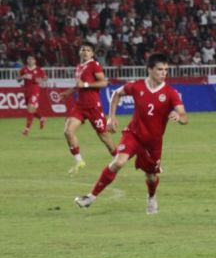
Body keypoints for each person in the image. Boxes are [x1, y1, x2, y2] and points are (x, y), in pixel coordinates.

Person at [74, 53, 188, 214]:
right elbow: (116, 94)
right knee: (118, 162)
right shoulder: (136, 86)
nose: (164, 73)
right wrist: (111, 117)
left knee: (151, 176)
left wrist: (178, 116)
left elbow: (184, 116)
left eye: (166, 70)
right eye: (160, 69)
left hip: (153, 142)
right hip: (133, 134)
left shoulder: (171, 93)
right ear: (150, 70)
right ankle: (90, 197)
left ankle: (151, 197)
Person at [61, 42, 117, 174]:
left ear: (92, 54)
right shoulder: (79, 67)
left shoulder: (94, 65)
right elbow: (79, 85)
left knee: (103, 136)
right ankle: (79, 161)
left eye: (88, 50)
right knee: (68, 132)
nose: (85, 52)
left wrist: (85, 85)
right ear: (79, 52)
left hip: (93, 106)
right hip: (79, 105)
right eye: (83, 50)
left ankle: (117, 158)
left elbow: (103, 82)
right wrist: (69, 92)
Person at [19, 55, 47, 136]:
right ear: (27, 61)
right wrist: (22, 77)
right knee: (31, 110)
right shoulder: (23, 69)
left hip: (35, 91)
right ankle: (42, 118)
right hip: (26, 91)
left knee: (30, 108)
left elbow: (45, 78)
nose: (30, 60)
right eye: (29, 59)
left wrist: (40, 80)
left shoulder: (39, 69)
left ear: (35, 61)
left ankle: (26, 129)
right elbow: (17, 79)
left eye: (32, 59)